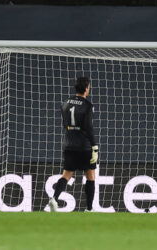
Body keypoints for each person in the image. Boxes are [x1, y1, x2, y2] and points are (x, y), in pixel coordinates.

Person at [48, 77, 98, 212]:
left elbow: (65, 124)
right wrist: (95, 147)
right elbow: (88, 128)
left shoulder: (65, 103)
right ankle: (89, 209)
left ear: (76, 88)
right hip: (84, 146)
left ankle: (54, 198)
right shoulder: (88, 105)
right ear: (86, 88)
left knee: (66, 174)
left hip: (69, 144)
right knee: (90, 175)